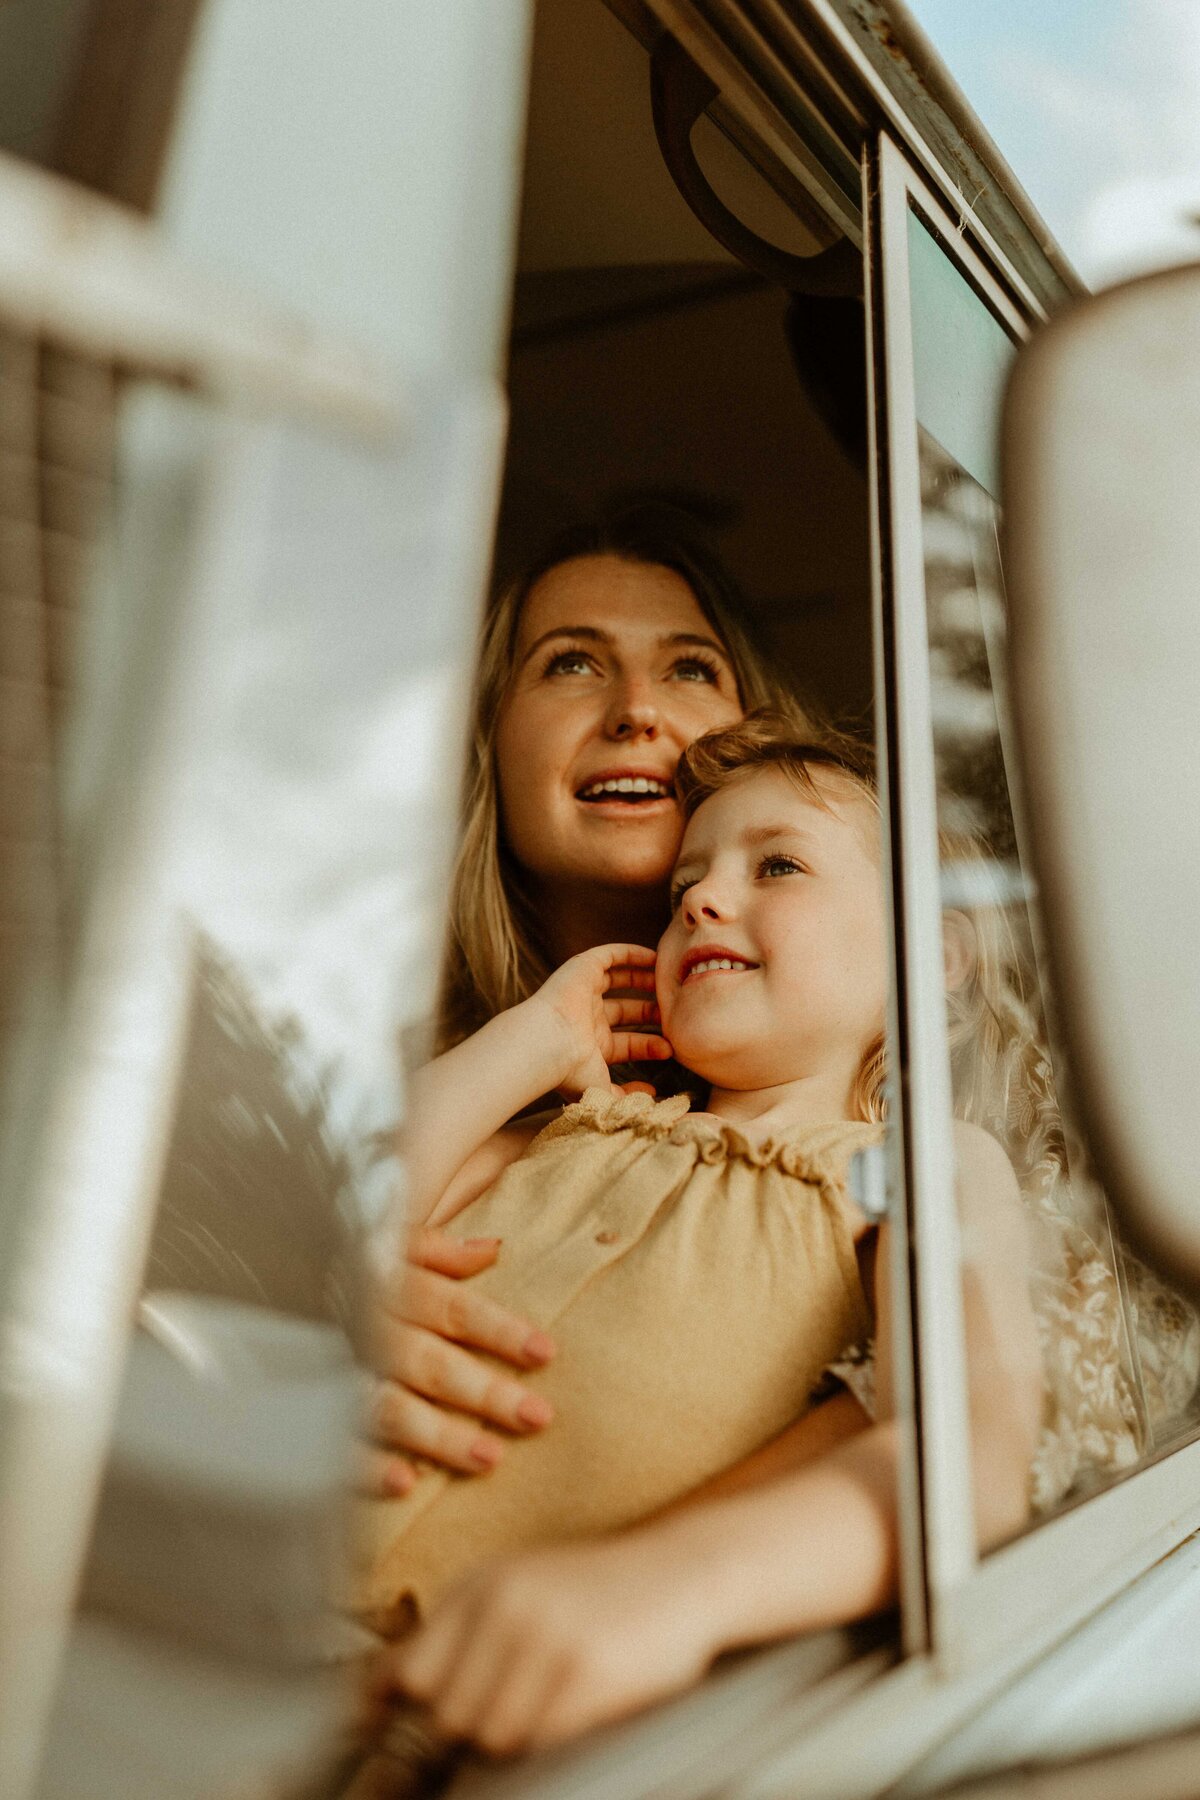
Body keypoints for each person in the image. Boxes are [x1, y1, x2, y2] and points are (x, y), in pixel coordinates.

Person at [356, 714, 1043, 1751]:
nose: (706, 900)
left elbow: (970, 1448)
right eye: (684, 891)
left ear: (931, 951)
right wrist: (531, 1038)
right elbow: (350, 1220)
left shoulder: (912, 1165)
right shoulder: (572, 1130)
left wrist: (672, 1588)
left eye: (777, 865)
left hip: (466, 1712)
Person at [365, 512, 811, 1498]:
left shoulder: (864, 1105)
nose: (636, 712)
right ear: (486, 740)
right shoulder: (362, 1055)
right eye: (571, 664)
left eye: (692, 669)